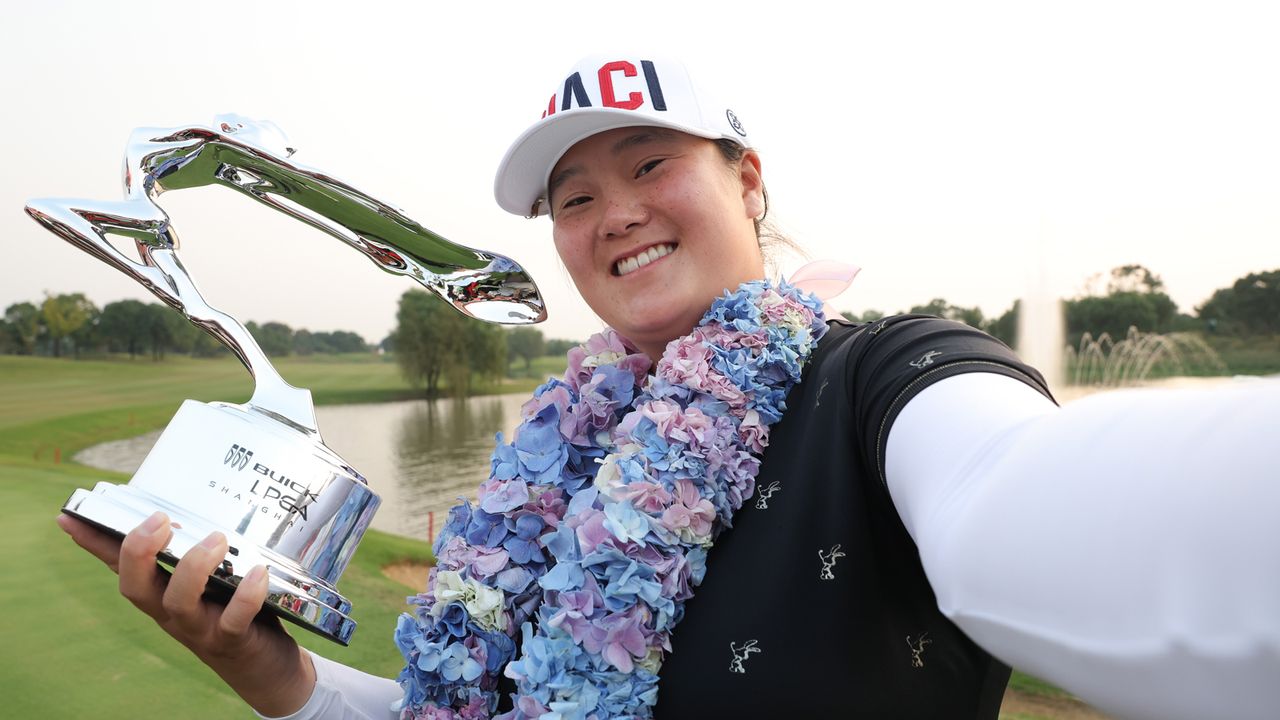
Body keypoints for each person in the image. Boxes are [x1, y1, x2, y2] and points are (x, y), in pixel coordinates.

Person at [58, 54, 1280, 720]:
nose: (615, 212)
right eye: (574, 197)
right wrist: (282, 680)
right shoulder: (551, 455)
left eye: (650, 162)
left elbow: (1020, 500)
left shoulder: (886, 377)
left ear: (746, 178)